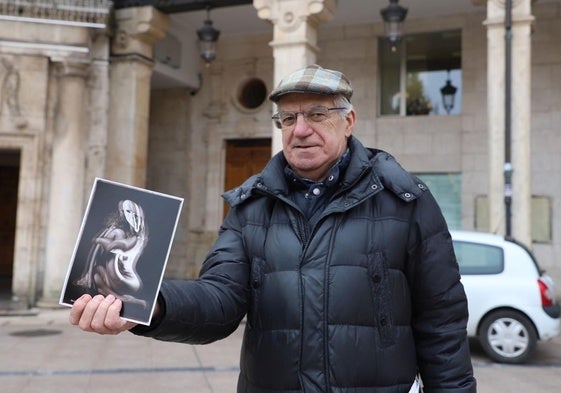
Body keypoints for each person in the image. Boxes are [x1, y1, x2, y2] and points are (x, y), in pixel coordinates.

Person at [70, 64, 477, 393]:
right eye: (288, 117)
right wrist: (150, 306)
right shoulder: (250, 208)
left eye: (317, 114)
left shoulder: (406, 200)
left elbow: (442, 324)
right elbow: (219, 298)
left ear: (348, 121)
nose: (300, 129)